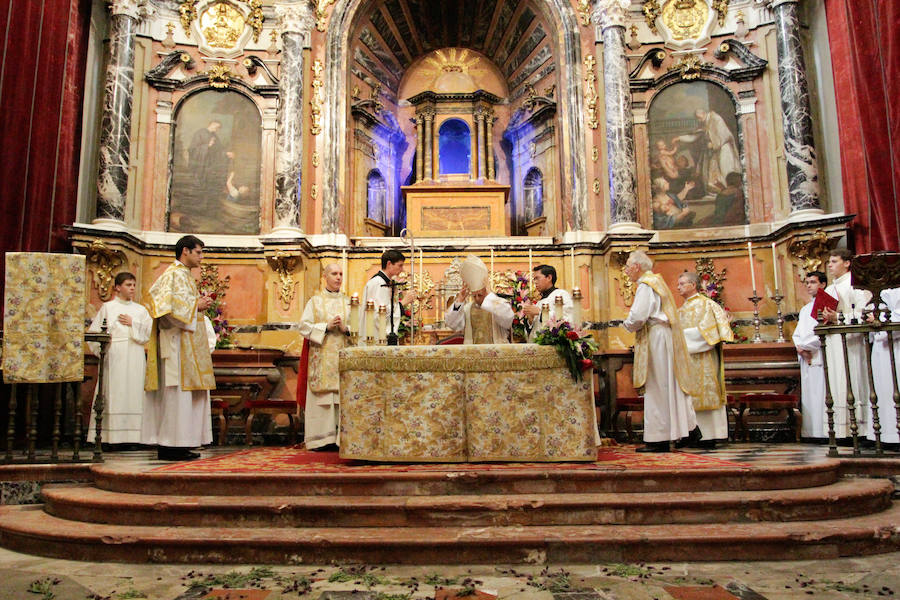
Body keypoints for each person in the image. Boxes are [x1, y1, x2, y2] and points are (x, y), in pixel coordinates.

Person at [142, 235, 216, 461]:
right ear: (186, 251)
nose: (201, 258)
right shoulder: (172, 275)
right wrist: (197, 306)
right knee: (177, 396)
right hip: (176, 346)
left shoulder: (185, 276)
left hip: (188, 345)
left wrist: (197, 305)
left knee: (187, 397)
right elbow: (162, 308)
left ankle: (182, 443)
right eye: (199, 252)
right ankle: (170, 445)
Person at [622, 251, 698, 452]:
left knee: (657, 387)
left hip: (656, 337)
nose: (626, 270)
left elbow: (638, 316)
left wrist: (626, 325)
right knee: (667, 384)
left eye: (628, 266)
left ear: (637, 267)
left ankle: (659, 439)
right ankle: (688, 429)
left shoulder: (646, 285)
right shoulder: (657, 282)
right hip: (662, 336)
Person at [86, 272, 153, 448]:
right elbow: (94, 335)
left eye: (133, 285)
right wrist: (105, 351)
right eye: (128, 284)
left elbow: (150, 333)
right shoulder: (108, 308)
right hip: (115, 355)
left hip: (136, 355)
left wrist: (134, 323)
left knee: (134, 393)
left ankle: (134, 438)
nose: (132, 288)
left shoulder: (141, 310)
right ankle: (109, 437)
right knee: (114, 393)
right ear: (117, 287)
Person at [676, 271, 734, 448]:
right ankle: (690, 433)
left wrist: (680, 341)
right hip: (686, 361)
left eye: (682, 283)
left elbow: (710, 333)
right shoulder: (680, 310)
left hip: (704, 358)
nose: (678, 287)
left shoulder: (707, 305)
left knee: (705, 392)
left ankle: (709, 435)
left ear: (693, 285)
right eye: (678, 284)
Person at [297, 263, 352, 450]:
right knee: (324, 399)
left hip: (342, 357)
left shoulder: (349, 302)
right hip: (321, 357)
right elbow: (303, 327)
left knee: (341, 397)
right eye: (334, 274)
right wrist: (325, 327)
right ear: (325, 276)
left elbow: (360, 329)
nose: (338, 277)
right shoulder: (315, 301)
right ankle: (320, 439)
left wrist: (346, 329)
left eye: (341, 274)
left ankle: (339, 439)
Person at [821, 249, 872, 439]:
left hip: (852, 342)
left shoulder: (856, 285)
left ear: (847, 263)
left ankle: (860, 429)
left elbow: (865, 314)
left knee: (854, 380)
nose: (830, 265)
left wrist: (839, 317)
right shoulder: (829, 289)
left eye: (834, 261)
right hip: (834, 341)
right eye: (830, 262)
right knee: (837, 382)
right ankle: (841, 431)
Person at [445, 255, 514, 344]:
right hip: (473, 355)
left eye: (480, 295)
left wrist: (490, 295)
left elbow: (508, 318)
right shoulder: (467, 309)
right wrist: (459, 300)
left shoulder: (497, 305)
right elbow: (452, 324)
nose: (477, 299)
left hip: (496, 354)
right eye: (474, 296)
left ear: (486, 292)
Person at [792, 271, 828, 440]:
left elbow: (823, 331)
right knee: (810, 396)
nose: (808, 285)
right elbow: (797, 333)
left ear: (823, 284)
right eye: (807, 282)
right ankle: (812, 432)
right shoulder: (805, 309)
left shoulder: (826, 305)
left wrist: (807, 347)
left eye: (813, 282)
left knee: (822, 394)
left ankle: (825, 432)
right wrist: (799, 348)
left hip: (818, 354)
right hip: (806, 357)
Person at [675, 108, 740, 193]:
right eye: (697, 118)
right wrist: (679, 138)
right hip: (715, 151)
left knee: (725, 169)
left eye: (699, 117)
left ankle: (730, 191)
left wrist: (714, 144)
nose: (699, 120)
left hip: (724, 149)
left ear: (704, 113)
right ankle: (720, 192)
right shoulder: (704, 122)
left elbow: (725, 135)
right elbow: (694, 137)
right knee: (712, 173)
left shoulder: (716, 119)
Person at [358, 249, 416, 344]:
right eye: (400, 265)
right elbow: (379, 315)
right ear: (389, 264)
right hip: (376, 338)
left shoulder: (385, 282)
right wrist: (403, 303)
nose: (402, 270)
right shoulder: (378, 283)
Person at [868, 287, 900, 446]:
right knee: (884, 389)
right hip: (881, 348)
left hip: (896, 345)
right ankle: (886, 435)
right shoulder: (881, 291)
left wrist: (877, 319)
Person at [523, 265, 573, 341]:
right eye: (534, 279)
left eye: (537, 278)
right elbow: (534, 332)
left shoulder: (561, 295)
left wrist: (540, 312)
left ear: (549, 277)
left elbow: (567, 319)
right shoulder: (539, 302)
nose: (535, 282)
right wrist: (530, 320)